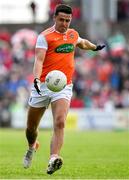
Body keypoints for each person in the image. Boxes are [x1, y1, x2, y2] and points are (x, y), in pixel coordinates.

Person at [23, 4, 105, 175]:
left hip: (63, 86)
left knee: (60, 122)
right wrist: (36, 79)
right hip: (42, 86)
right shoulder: (44, 37)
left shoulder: (72, 34)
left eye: (68, 20)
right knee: (31, 129)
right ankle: (32, 147)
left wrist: (94, 47)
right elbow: (38, 60)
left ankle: (54, 158)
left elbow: (82, 43)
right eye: (61, 19)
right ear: (54, 18)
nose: (65, 23)